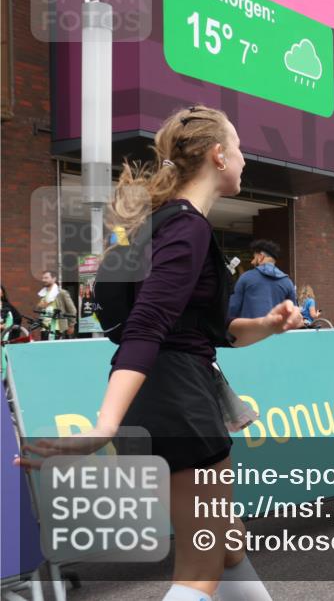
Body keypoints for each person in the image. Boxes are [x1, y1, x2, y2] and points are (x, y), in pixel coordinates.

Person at [18, 105, 301, 601]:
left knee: (225, 540)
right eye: (238, 147)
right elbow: (146, 325)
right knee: (203, 561)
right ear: (218, 155)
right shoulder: (187, 227)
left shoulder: (165, 224)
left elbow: (204, 331)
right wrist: (105, 425)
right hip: (180, 402)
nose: (243, 159)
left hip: (168, 397)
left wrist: (267, 325)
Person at [228, 240, 296, 319]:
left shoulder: (246, 277)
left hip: (249, 330)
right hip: (277, 330)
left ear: (261, 257)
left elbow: (232, 309)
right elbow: (293, 313)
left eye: (254, 258)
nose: (252, 262)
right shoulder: (287, 282)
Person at [36, 270, 76, 339]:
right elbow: (39, 309)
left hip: (57, 328)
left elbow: (72, 310)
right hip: (44, 328)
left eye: (46, 278)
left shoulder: (61, 293)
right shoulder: (42, 293)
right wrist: (39, 306)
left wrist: (71, 325)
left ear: (54, 279)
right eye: (43, 278)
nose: (43, 280)